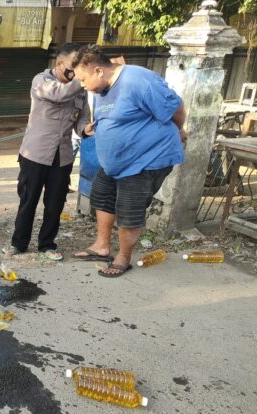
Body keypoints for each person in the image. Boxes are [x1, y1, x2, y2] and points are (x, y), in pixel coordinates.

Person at [71, 44, 186, 278]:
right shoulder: (103, 89)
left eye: (83, 80)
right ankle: (101, 246)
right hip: (115, 163)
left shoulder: (138, 80)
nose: (82, 86)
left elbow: (176, 107)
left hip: (144, 161)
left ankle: (123, 258)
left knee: (129, 210)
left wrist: (180, 130)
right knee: (102, 196)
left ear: (98, 71)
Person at [3, 43, 90, 261]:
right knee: (28, 200)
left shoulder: (80, 91)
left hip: (63, 156)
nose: (75, 71)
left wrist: (85, 130)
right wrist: (84, 77)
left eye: (79, 67)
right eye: (72, 66)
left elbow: (82, 119)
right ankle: (19, 243)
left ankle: (47, 245)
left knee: (55, 203)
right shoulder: (41, 81)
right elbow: (60, 95)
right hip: (35, 154)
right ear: (59, 64)